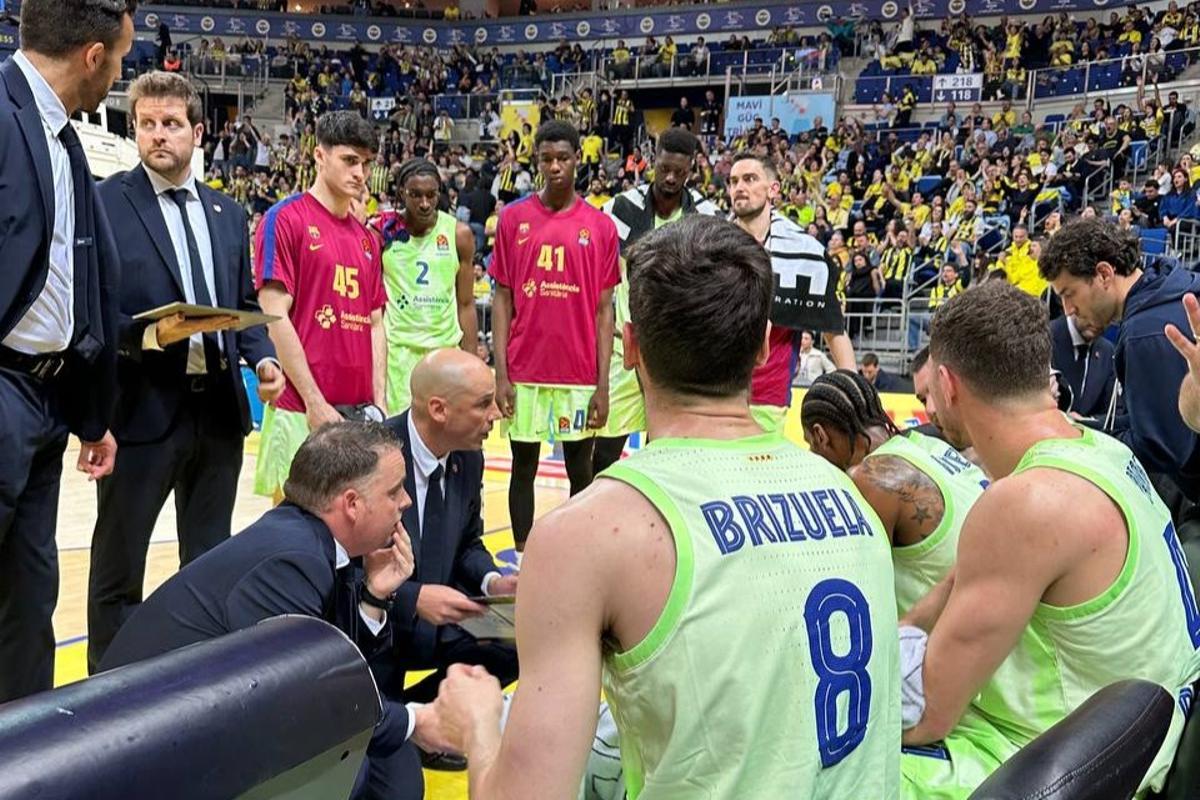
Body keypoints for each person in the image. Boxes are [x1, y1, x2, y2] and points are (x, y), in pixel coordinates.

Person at [435, 214, 901, 799]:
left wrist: (477, 723)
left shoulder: (590, 531)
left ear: (630, 348)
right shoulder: (854, 496)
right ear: (763, 346)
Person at [899, 281, 1200, 799]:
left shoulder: (1028, 502)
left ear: (946, 385)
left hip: (1074, 769)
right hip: (1147, 741)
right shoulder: (1103, 450)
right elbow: (958, 583)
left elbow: (926, 714)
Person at [99, 422, 443, 800]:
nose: (406, 501)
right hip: (143, 748)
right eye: (394, 491)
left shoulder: (315, 542)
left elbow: (344, 669)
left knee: (393, 775)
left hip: (191, 719)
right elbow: (318, 698)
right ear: (352, 504)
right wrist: (416, 721)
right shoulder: (291, 559)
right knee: (345, 771)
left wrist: (374, 597)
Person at [86, 72, 285, 671]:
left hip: (217, 413)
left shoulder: (227, 212)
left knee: (208, 563)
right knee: (119, 566)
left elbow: (241, 303)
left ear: (198, 132)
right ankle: (106, 687)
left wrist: (263, 357)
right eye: (145, 123)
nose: (157, 135)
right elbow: (92, 308)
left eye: (170, 123)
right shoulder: (105, 202)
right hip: (141, 411)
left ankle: (200, 682)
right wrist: (147, 334)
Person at [0, 0, 132, 703]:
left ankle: (20, 747)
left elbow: (78, 284)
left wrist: (90, 412)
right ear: (93, 55)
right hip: (3, 384)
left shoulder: (62, 135)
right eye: (121, 59)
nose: (119, 74)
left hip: (46, 397)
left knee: (28, 600)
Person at [370, 350, 515, 770]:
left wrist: (492, 582)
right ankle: (390, 724)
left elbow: (468, 542)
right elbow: (342, 568)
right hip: (380, 623)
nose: (496, 415)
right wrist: (412, 598)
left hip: (440, 621)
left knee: (520, 639)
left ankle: (416, 721)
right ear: (438, 409)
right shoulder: (371, 455)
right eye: (483, 404)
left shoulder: (468, 455)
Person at [488, 120, 620, 553]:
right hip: (524, 370)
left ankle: (578, 556)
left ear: (578, 159)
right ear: (537, 162)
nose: (555, 166)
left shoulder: (600, 226)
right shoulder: (513, 219)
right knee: (522, 466)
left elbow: (604, 311)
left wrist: (603, 384)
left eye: (563, 158)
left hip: (578, 374)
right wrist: (501, 374)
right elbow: (502, 298)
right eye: (546, 159)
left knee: (579, 469)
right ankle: (522, 559)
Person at [254, 111, 388, 502]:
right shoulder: (285, 219)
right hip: (301, 410)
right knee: (295, 529)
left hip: (357, 414)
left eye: (367, 163)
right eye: (350, 160)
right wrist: (314, 401)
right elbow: (274, 314)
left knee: (354, 530)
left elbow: (374, 323)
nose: (360, 173)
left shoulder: (367, 240)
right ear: (319, 156)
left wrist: (379, 402)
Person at [1040, 217, 1200, 524]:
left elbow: (1161, 448)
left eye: (1069, 293)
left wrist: (1078, 437)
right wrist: (1089, 424)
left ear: (1104, 273)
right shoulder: (1165, 290)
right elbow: (1161, 415)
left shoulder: (1145, 332)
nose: (1068, 310)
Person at [801, 370, 987, 616]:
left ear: (820, 436)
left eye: (810, 443)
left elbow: (855, 592)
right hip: (1008, 614)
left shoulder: (870, 479)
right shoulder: (926, 443)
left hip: (966, 629)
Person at [594, 127, 717, 474]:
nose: (671, 178)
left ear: (691, 169)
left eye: (680, 171)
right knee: (604, 451)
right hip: (624, 349)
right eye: (665, 169)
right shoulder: (620, 208)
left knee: (664, 451)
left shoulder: (706, 216)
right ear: (653, 162)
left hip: (676, 352)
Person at [727, 153, 855, 433]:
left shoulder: (805, 252)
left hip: (767, 399)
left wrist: (855, 396)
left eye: (750, 179)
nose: (739, 187)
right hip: (711, 394)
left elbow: (833, 329)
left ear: (773, 189)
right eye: (734, 181)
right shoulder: (709, 245)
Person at [377, 158, 476, 415]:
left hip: (445, 351)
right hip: (397, 352)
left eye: (431, 195)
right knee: (398, 435)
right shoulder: (383, 232)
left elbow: (466, 303)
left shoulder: (459, 234)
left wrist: (472, 362)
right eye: (415, 195)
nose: (424, 203)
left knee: (447, 430)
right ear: (402, 193)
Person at [1049, 314, 1116, 419]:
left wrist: (1086, 422)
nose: (1098, 319)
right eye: (1093, 310)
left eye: (1105, 312)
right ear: (1071, 306)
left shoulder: (1107, 351)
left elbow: (1111, 412)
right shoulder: (1043, 337)